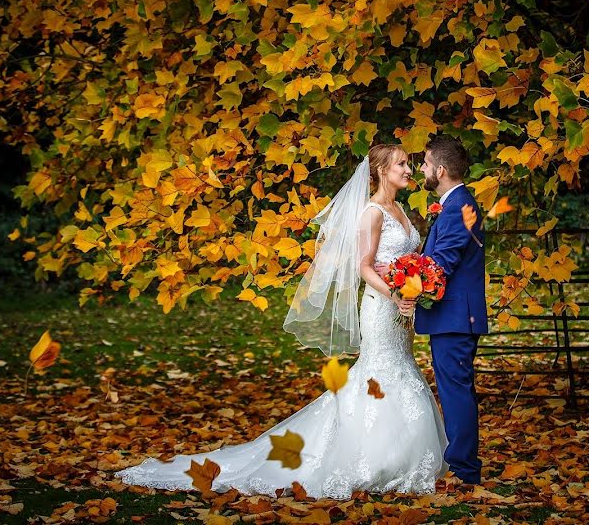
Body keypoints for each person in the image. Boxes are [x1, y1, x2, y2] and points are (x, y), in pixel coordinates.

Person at [113, 144, 449, 499]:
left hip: (400, 310)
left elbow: (402, 260)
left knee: (400, 367)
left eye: (410, 165)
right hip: (382, 307)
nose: (409, 170)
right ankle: (374, 459)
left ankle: (402, 456)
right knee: (379, 370)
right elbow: (364, 266)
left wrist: (413, 284)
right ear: (382, 170)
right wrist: (394, 293)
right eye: (401, 164)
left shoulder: (400, 210)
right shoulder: (371, 213)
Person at [414, 135, 487, 485]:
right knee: (456, 388)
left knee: (455, 391)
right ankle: (462, 463)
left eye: (426, 164)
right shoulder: (456, 203)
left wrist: (406, 283)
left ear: (440, 170)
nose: (422, 169)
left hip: (455, 317)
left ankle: (464, 469)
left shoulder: (459, 207)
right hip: (453, 317)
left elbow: (439, 264)